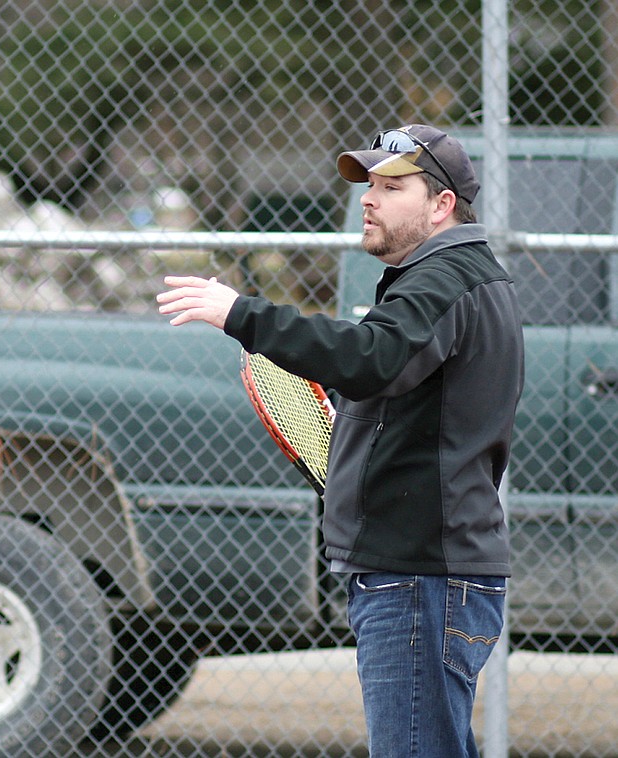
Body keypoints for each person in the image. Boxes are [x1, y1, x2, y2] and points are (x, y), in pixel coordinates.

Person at [156, 124, 524, 758]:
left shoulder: (444, 281)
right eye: (369, 185)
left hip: (420, 580)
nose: (369, 198)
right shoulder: (452, 279)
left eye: (392, 185)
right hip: (426, 572)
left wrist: (244, 314)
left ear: (441, 205)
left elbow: (368, 358)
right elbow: (395, 400)